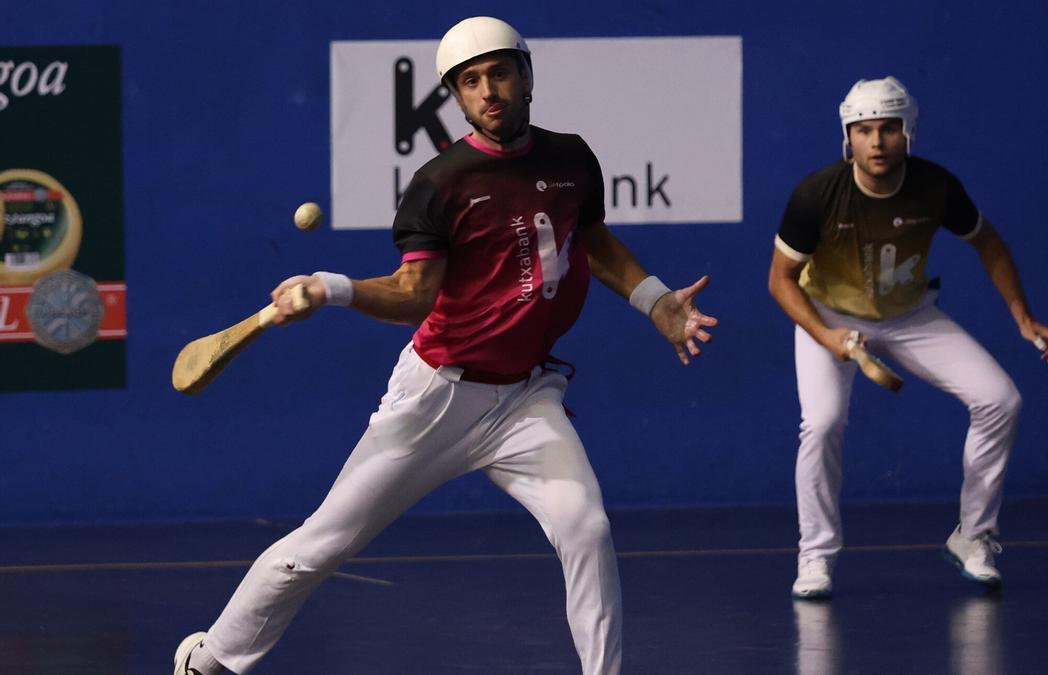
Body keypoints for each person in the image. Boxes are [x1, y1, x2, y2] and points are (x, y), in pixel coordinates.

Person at [173, 16, 717, 675]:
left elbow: (593, 242)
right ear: (457, 96)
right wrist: (333, 287)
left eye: (499, 73)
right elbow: (412, 292)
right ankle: (208, 659)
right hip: (435, 397)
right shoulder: (440, 184)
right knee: (321, 544)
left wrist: (655, 299)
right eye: (470, 81)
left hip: (524, 398)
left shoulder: (572, 158)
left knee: (586, 526)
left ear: (526, 77)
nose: (488, 90)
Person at [767, 76, 1048, 600]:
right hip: (828, 313)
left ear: (908, 133)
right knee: (821, 422)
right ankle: (814, 556)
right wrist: (826, 335)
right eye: (864, 130)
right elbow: (780, 280)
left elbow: (989, 244)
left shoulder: (935, 187)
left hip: (908, 315)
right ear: (848, 136)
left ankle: (973, 537)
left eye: (888, 129)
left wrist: (1022, 316)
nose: (877, 142)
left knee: (1001, 400)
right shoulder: (816, 195)